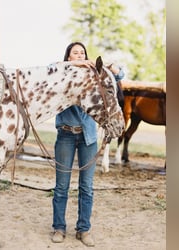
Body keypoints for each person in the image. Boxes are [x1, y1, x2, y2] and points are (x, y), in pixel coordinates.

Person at [51, 42, 124, 247]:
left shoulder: (94, 76)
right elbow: (48, 69)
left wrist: (101, 63)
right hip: (65, 135)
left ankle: (83, 230)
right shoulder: (60, 75)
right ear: (68, 57)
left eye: (82, 52)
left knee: (87, 187)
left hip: (89, 138)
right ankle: (59, 227)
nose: (80, 54)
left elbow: (119, 75)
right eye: (75, 53)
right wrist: (66, 65)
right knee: (61, 186)